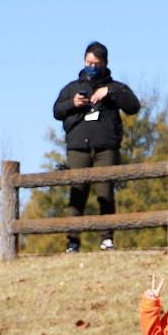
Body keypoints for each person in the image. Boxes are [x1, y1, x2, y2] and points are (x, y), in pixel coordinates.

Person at [53, 42, 143, 253]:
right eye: (88, 62)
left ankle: (107, 239)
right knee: (77, 195)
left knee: (105, 193)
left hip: (106, 148)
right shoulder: (72, 88)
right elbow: (56, 111)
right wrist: (72, 103)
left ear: (104, 63)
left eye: (95, 63)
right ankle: (72, 241)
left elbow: (133, 106)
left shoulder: (116, 88)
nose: (91, 66)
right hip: (78, 148)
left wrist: (109, 91)